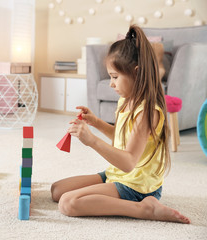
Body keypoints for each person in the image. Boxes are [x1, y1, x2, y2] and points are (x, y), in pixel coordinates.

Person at [50, 25, 190, 224]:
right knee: (56, 191)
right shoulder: (126, 100)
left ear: (137, 73)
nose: (111, 83)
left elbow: (128, 162)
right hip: (117, 175)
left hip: (137, 185)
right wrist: (97, 122)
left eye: (115, 77)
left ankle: (144, 209)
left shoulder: (147, 112)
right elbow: (123, 137)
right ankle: (127, 200)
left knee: (67, 203)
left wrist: (92, 141)